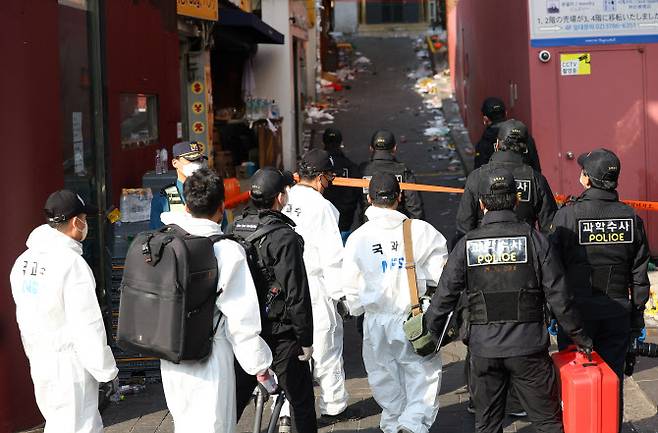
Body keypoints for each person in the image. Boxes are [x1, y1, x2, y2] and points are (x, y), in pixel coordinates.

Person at [424, 167, 593, 433]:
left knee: (488, 425)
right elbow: (559, 296)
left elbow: (444, 296)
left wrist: (429, 332)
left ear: (481, 204)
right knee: (548, 423)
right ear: (516, 199)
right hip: (529, 350)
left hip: (484, 350)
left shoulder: (467, 244)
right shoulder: (536, 241)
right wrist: (580, 338)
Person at [159, 167, 275, 433]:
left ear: (186, 206)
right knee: (213, 425)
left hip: (170, 352)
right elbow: (241, 320)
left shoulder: (166, 239)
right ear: (222, 208)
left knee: (185, 424)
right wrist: (260, 367)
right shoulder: (226, 250)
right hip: (209, 354)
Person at [550, 149, 650, 428]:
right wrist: (637, 317)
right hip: (617, 313)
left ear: (586, 179)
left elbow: (552, 272)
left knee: (575, 380)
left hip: (575, 316)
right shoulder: (631, 218)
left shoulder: (567, 217)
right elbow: (639, 276)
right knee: (612, 381)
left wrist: (553, 311)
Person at [342, 173, 448, 433]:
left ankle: (393, 422)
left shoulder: (358, 238)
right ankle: (411, 424)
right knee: (421, 374)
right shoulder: (420, 230)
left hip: (375, 320)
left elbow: (350, 289)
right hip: (412, 318)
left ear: (368, 199)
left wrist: (355, 307)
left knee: (383, 376)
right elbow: (441, 275)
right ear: (400, 198)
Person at [10, 190, 119, 433]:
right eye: (84, 218)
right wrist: (106, 371)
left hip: (40, 359)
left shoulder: (24, 261)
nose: (86, 224)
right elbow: (87, 324)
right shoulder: (72, 264)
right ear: (75, 222)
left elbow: (23, 316)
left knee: (57, 423)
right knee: (78, 426)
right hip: (70, 365)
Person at [230, 168, 317, 433]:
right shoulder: (285, 237)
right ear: (280, 197)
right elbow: (296, 293)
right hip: (280, 333)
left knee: (232, 401)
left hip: (243, 332)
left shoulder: (235, 226)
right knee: (301, 401)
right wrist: (306, 340)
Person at [282, 149, 356, 425]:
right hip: (314, 287)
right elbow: (333, 257)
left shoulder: (285, 198)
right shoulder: (322, 207)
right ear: (322, 177)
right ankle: (334, 405)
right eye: (330, 177)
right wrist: (342, 296)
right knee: (326, 350)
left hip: (285, 289)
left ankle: (289, 412)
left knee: (293, 355)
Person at [456, 119, 557, 243]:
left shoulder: (477, 176)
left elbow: (464, 227)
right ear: (525, 148)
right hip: (524, 251)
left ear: (497, 144)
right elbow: (549, 228)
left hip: (484, 253)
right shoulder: (536, 179)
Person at [358, 130, 425, 224]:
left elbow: (350, 200)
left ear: (371, 149)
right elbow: (414, 205)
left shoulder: (362, 171)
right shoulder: (403, 171)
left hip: (368, 225)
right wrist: (417, 229)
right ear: (394, 148)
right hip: (398, 226)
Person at [149, 140, 207, 229]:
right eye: (190, 160)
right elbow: (157, 235)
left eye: (199, 160)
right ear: (175, 163)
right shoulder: (163, 198)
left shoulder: (210, 192)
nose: (196, 164)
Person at [474, 97, 541, 172]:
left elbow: (478, 175)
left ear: (485, 119)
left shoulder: (483, 144)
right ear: (506, 113)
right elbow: (537, 169)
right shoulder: (526, 138)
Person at [322, 128, 361, 243]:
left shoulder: (316, 167)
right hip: (344, 223)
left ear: (323, 142)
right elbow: (357, 195)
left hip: (322, 224)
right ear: (341, 143)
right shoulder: (351, 166)